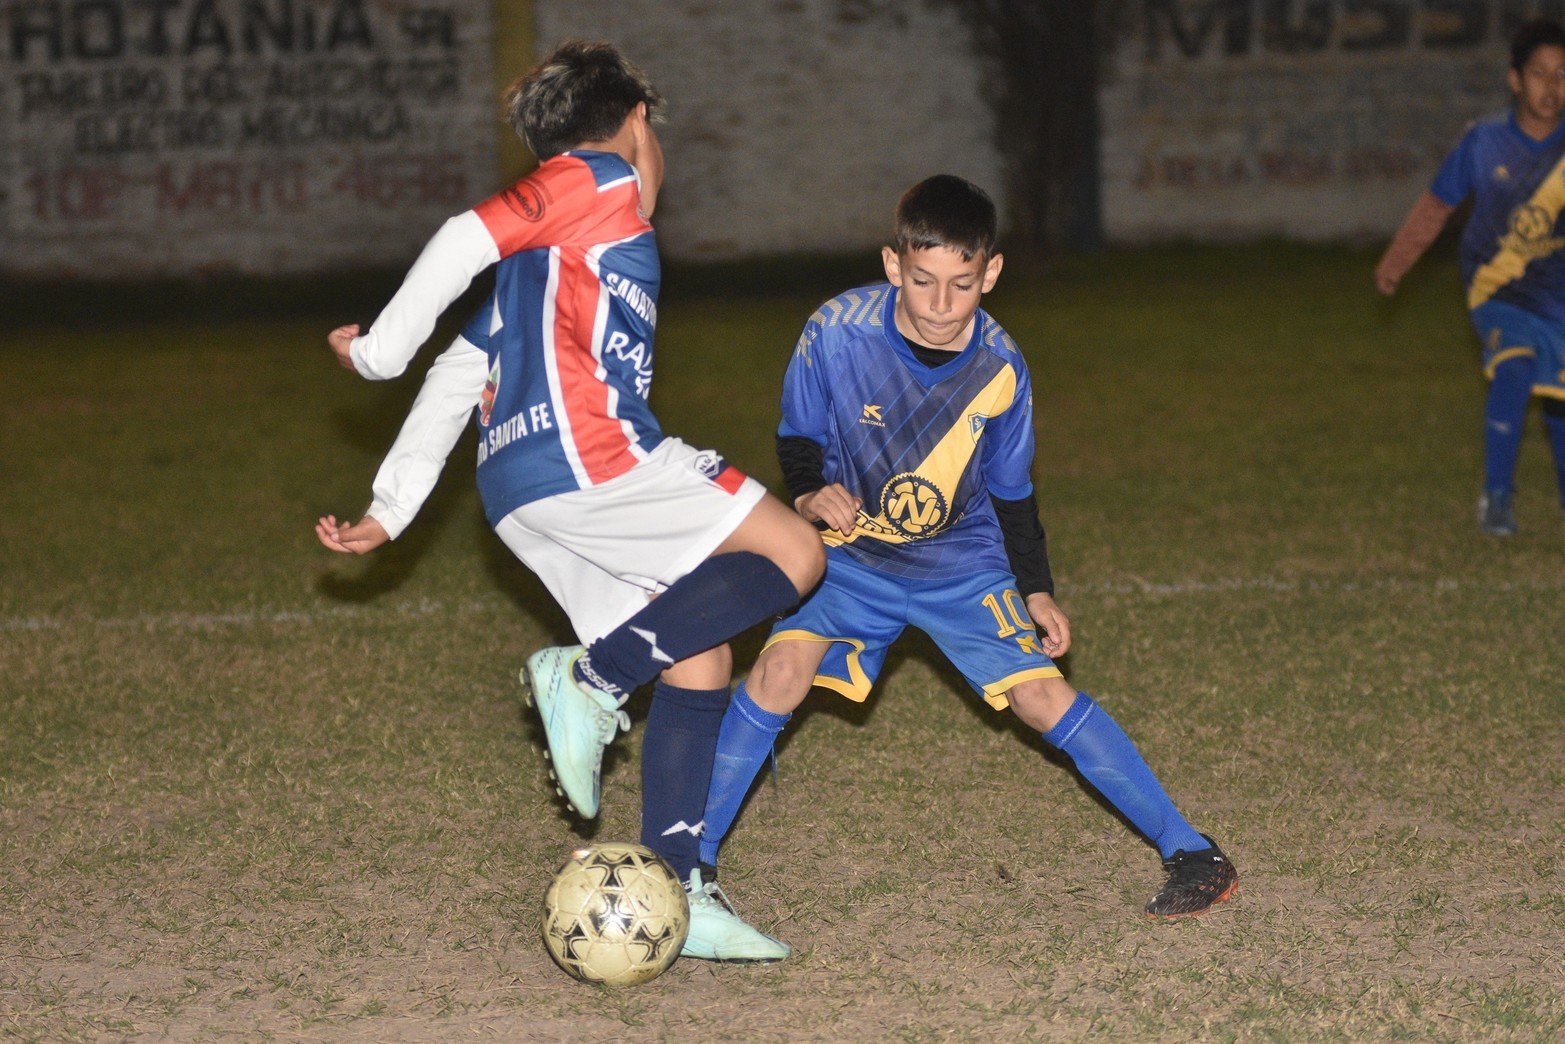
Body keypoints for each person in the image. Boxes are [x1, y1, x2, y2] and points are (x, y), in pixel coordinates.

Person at [314, 40, 823, 961]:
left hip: (518, 492)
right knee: (795, 555)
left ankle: (685, 884)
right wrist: (378, 350)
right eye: (650, 133)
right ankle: (589, 678)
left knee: (699, 652)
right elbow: (462, 238)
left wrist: (391, 506)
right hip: (591, 457)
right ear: (635, 123)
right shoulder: (599, 180)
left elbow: (460, 370)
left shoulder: (543, 266)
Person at [695, 175, 1239, 920]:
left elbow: (1013, 492)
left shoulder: (1001, 367)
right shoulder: (835, 331)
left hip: (962, 562)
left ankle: (1191, 850)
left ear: (990, 273)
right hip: (854, 558)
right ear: (893, 266)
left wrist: (1036, 586)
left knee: (1042, 697)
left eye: (961, 284)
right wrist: (809, 491)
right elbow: (799, 436)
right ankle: (691, 864)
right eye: (922, 282)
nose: (941, 305)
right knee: (778, 670)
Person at [1376, 18, 1565, 536]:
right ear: (1515, 80)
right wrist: (1397, 262)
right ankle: (1498, 499)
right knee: (1515, 369)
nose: (1552, 87)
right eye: (1540, 74)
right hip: (1495, 288)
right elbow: (1437, 205)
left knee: (1560, 398)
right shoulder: (1483, 143)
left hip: (1558, 297)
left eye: (1563, 75)